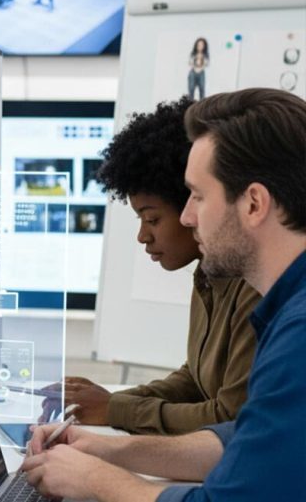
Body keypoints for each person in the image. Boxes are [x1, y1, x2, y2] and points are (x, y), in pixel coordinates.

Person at [22, 88, 306, 501]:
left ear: (254, 204)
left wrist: (95, 480)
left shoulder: (298, 335)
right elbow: (240, 437)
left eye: (198, 196)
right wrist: (107, 448)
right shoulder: (286, 309)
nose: (189, 216)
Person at [47, 98, 259, 434]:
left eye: (152, 218)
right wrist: (109, 402)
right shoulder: (209, 274)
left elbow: (230, 418)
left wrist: (117, 409)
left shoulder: (255, 286)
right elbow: (197, 379)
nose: (143, 236)